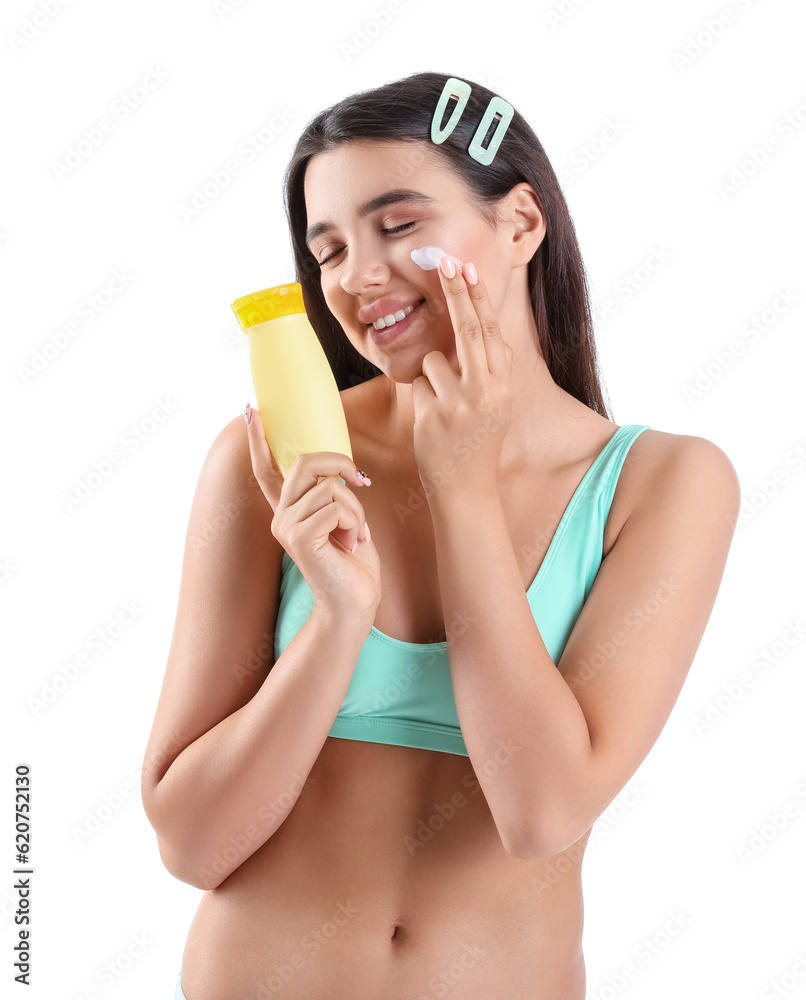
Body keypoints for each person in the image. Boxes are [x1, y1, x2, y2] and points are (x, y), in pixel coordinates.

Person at [141, 71, 740, 1000]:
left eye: (399, 225)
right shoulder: (272, 457)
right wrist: (336, 621)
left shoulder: (665, 485)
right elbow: (191, 842)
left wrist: (460, 490)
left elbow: (541, 810)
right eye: (329, 247)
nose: (356, 278)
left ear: (522, 223)